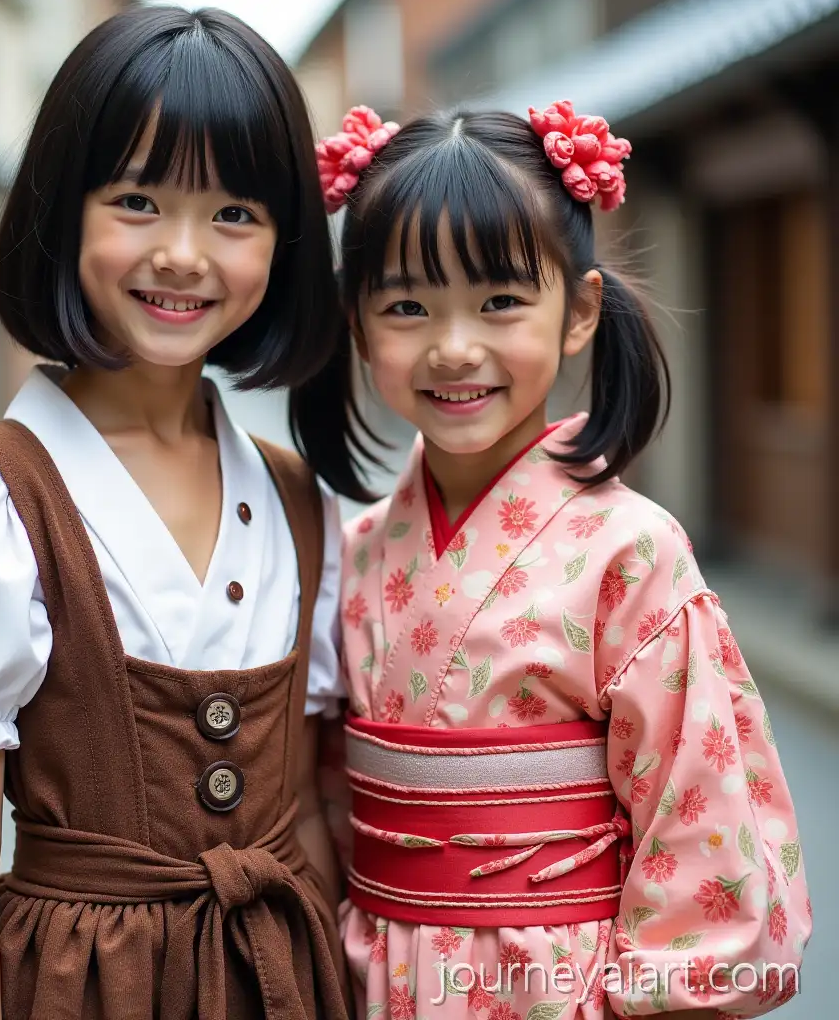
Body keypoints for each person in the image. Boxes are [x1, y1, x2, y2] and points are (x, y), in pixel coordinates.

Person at [0, 7, 360, 1019]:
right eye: (136, 200)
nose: (181, 253)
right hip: (81, 988)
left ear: (284, 243)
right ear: (63, 209)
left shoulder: (296, 499)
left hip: (283, 978)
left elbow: (301, 808)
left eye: (233, 215)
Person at [297, 102, 812, 1017]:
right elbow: (329, 798)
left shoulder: (631, 553)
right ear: (359, 323)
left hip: (560, 986)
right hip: (377, 972)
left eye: (500, 301)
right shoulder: (358, 548)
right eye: (407, 305)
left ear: (578, 311)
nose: (455, 347)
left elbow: (701, 833)